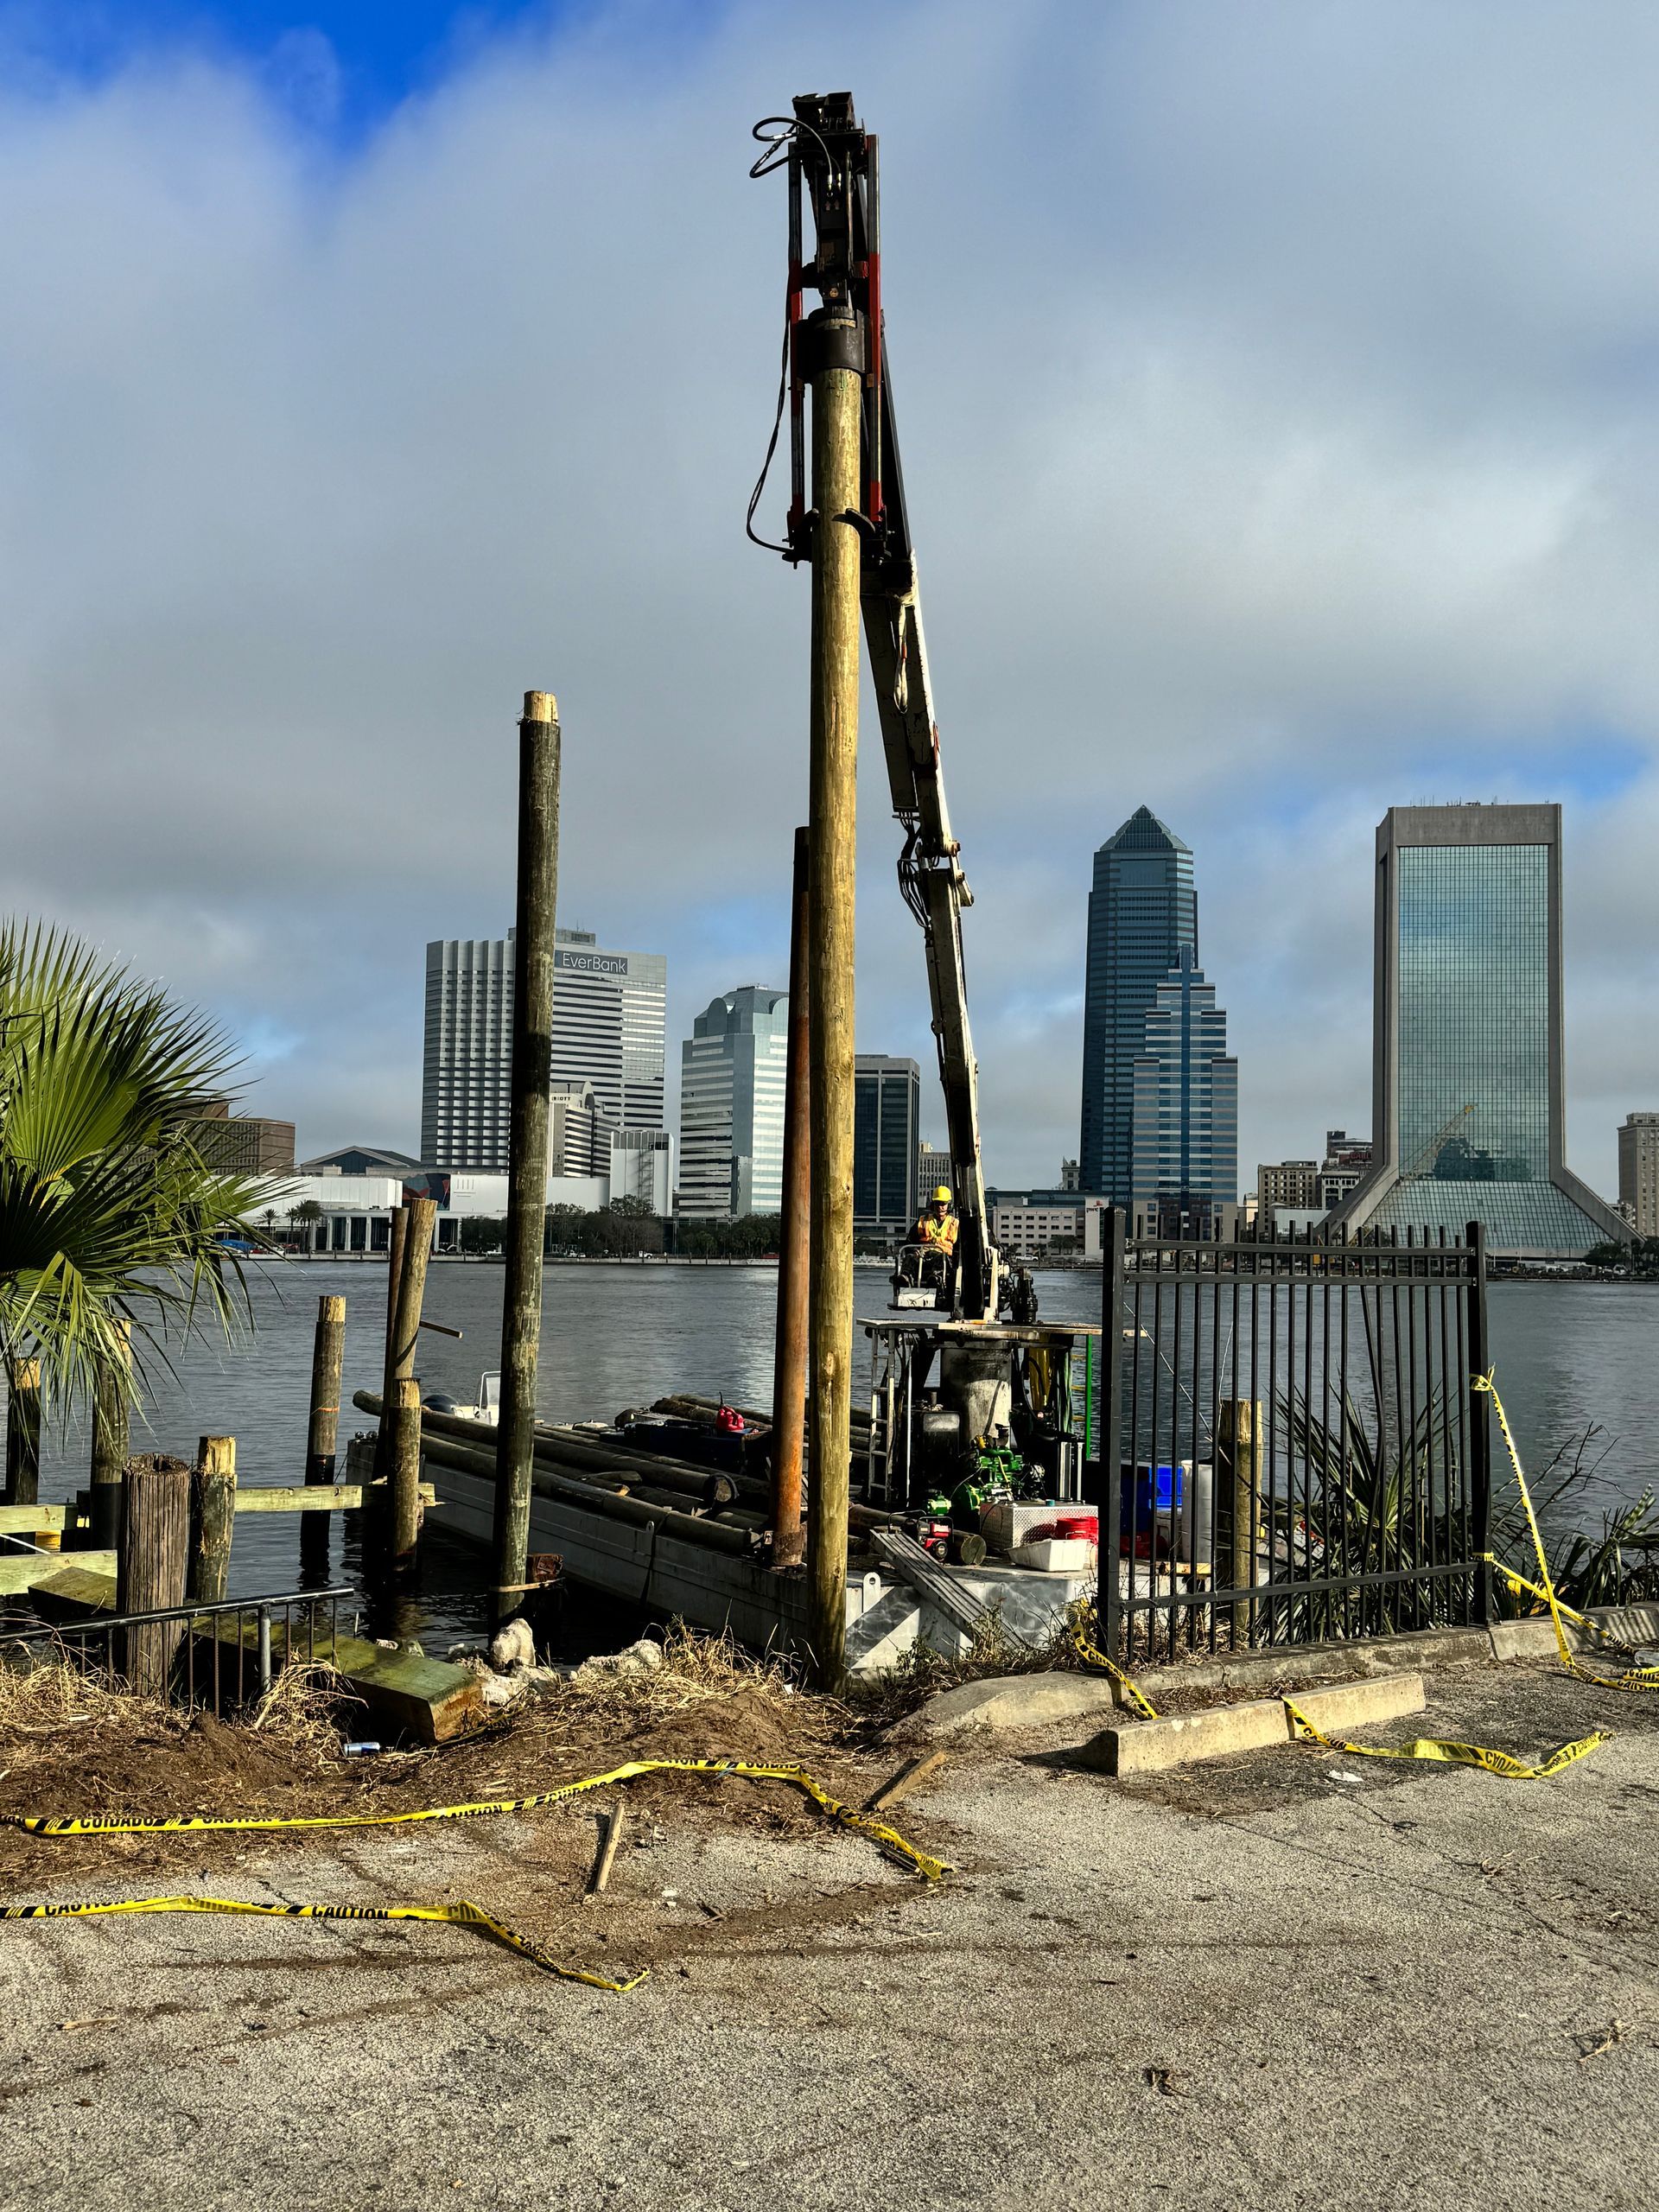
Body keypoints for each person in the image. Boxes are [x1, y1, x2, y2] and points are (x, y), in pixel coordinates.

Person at [914, 1184, 959, 1257]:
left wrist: (954, 1265)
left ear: (949, 1205)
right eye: (937, 1204)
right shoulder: (922, 1221)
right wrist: (915, 1251)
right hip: (924, 1258)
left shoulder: (955, 1224)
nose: (940, 1207)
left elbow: (959, 1248)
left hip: (945, 1260)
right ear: (933, 1205)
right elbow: (910, 1241)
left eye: (943, 1204)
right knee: (909, 1258)